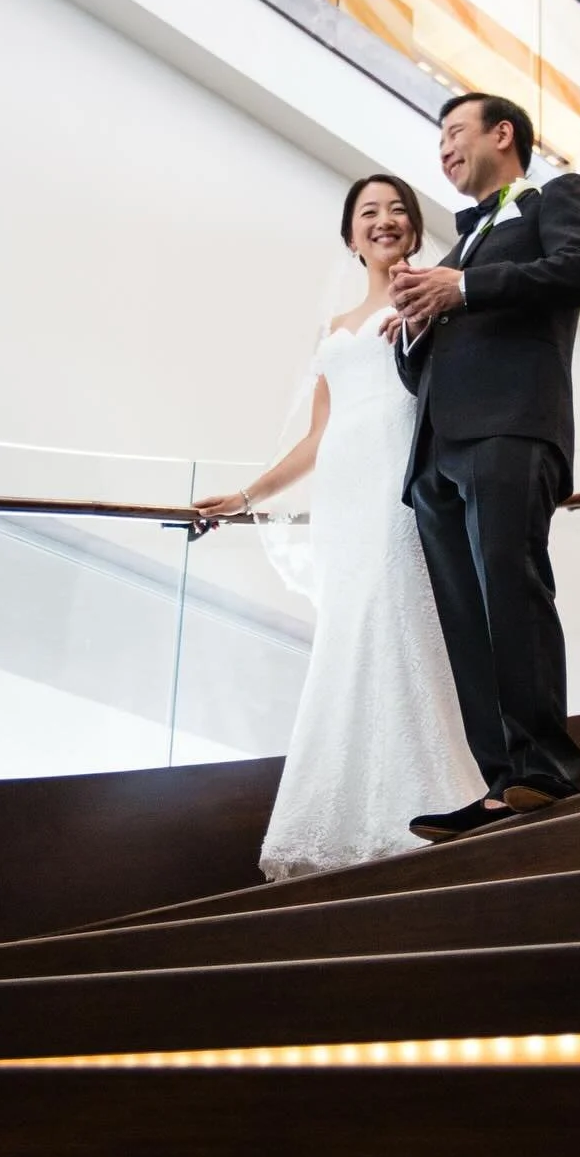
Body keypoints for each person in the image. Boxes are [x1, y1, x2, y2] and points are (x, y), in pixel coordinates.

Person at [194, 174, 483, 880]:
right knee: (349, 636)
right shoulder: (332, 331)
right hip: (345, 499)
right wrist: (249, 492)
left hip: (403, 482)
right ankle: (348, 812)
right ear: (351, 236)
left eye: (396, 211)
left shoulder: (437, 297)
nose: (384, 221)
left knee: (400, 620)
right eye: (368, 213)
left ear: (414, 229)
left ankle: (430, 802)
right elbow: (320, 435)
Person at [383, 92, 580, 841]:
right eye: (439, 139)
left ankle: (546, 766)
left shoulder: (557, 196)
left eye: (454, 132)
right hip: (437, 453)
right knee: (465, 619)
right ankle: (499, 781)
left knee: (512, 588)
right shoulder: (455, 249)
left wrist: (466, 288)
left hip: (512, 428)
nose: (443, 149)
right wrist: (413, 327)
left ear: (502, 133)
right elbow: (422, 372)